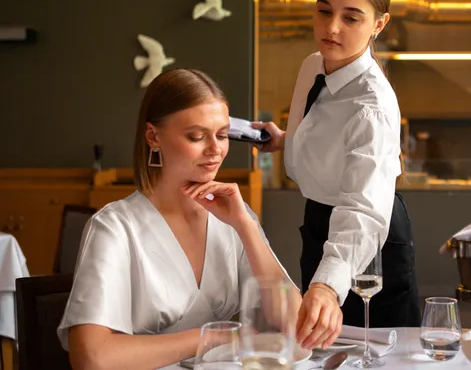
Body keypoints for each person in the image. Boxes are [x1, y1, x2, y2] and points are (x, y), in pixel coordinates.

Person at [57, 68, 301, 369]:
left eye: (222, 135)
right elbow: (91, 357)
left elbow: (294, 327)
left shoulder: (234, 220)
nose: (215, 150)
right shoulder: (115, 227)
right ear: (153, 136)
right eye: (196, 136)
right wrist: (214, 338)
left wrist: (245, 225)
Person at [252, 0, 420, 350]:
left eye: (351, 17)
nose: (332, 27)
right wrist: (286, 139)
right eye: (324, 11)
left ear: (379, 24)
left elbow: (361, 209)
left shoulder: (372, 105)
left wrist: (328, 286)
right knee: (319, 345)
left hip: (368, 233)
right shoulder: (313, 65)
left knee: (378, 351)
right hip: (318, 220)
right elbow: (327, 131)